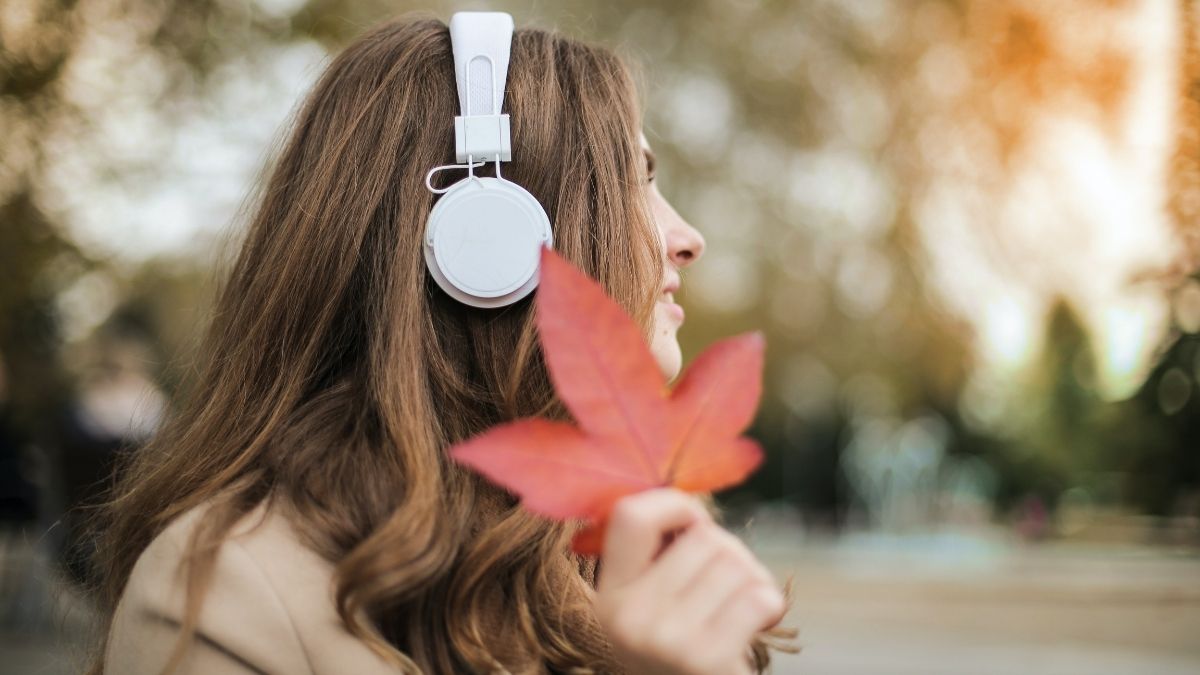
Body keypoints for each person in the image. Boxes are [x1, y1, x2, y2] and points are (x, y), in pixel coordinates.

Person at [91, 14, 793, 675]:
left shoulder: (622, 541)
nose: (688, 237)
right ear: (488, 241)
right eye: (632, 184)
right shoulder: (223, 589)